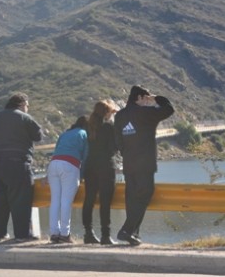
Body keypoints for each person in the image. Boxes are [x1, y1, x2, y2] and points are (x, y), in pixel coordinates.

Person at [114, 85, 174, 246]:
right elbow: (168, 110)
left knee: (132, 199)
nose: (148, 102)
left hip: (129, 164)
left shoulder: (119, 116)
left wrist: (127, 154)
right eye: (145, 99)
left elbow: (118, 141)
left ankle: (133, 233)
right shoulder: (144, 113)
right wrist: (157, 99)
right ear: (139, 98)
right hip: (145, 164)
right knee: (145, 195)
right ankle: (126, 230)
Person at [0, 92, 45, 242]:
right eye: (27, 105)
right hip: (18, 164)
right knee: (21, 200)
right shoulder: (25, 118)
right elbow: (38, 136)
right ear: (22, 104)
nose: (28, 108)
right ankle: (21, 235)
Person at [81, 99, 119, 245]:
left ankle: (88, 233)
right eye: (110, 112)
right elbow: (114, 148)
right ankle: (105, 235)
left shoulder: (87, 126)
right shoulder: (108, 127)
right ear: (106, 113)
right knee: (105, 202)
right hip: (106, 167)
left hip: (90, 167)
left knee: (89, 199)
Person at [47, 116, 89, 243]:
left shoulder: (65, 134)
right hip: (69, 165)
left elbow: (56, 151)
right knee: (66, 201)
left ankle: (54, 233)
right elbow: (86, 157)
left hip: (53, 165)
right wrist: (81, 176)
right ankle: (65, 234)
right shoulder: (84, 134)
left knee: (55, 201)